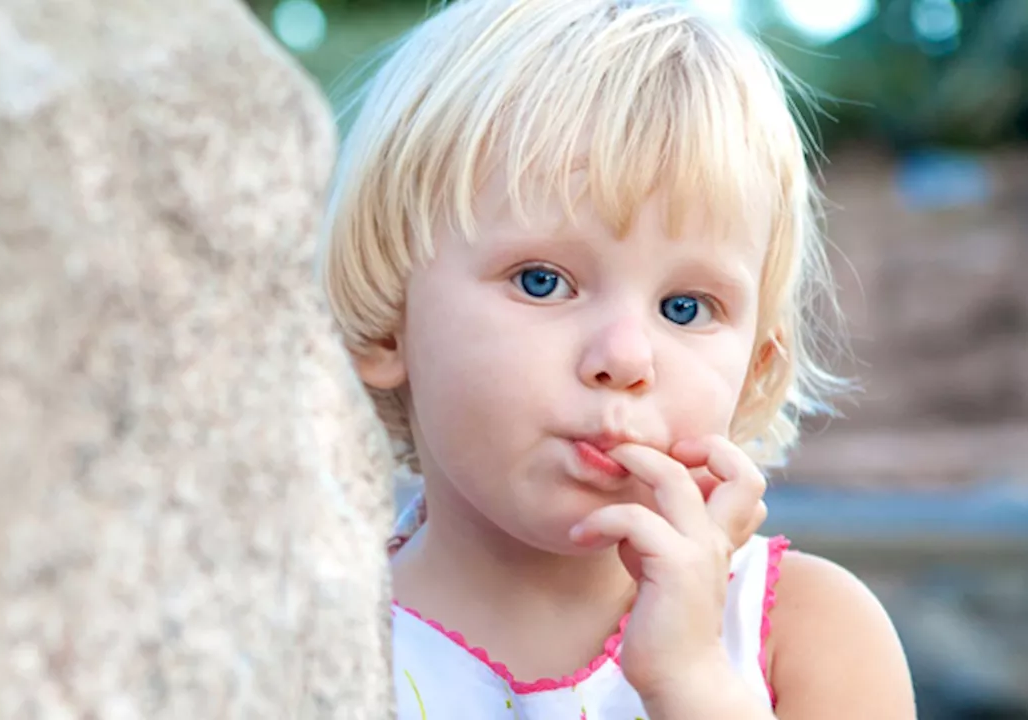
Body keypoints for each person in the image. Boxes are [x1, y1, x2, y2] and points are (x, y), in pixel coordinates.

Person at [319, 0, 917, 717]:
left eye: (685, 307)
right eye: (542, 281)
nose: (626, 358)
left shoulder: (810, 637)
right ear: (388, 323)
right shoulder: (301, 640)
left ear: (757, 366)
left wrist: (692, 684)